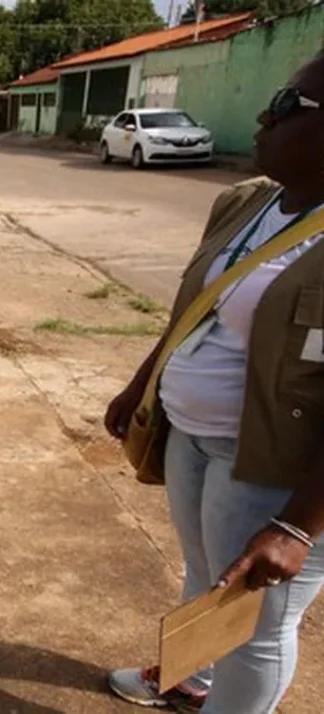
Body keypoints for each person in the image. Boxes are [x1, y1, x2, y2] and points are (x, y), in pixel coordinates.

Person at [105, 54, 324, 714]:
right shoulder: (249, 202)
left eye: (289, 106)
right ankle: (189, 680)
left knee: (258, 624)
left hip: (272, 465)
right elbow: (194, 311)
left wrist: (298, 526)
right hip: (193, 438)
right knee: (203, 574)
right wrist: (143, 382)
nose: (265, 116)